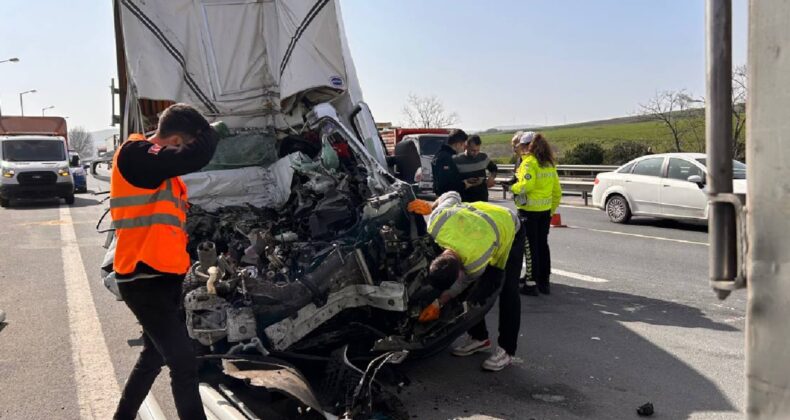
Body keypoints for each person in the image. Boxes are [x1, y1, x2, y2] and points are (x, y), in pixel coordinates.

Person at [111, 103, 219, 420]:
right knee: (183, 361)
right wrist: (212, 134)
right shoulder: (134, 155)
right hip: (141, 277)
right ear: (174, 141)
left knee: (153, 356)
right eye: (184, 145)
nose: (183, 156)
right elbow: (194, 157)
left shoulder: (162, 175)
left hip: (164, 277)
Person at [408, 192, 525, 371]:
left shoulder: (475, 262)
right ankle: (479, 338)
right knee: (469, 293)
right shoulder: (436, 222)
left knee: (507, 291)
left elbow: (463, 283)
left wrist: (439, 302)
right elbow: (453, 195)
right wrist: (431, 205)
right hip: (480, 214)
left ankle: (507, 351)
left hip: (507, 226)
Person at [511, 132, 561, 295]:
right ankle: (544, 282)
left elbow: (527, 186)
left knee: (530, 248)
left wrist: (513, 187)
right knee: (542, 245)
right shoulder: (549, 163)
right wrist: (550, 210)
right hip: (544, 212)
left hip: (528, 212)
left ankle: (531, 283)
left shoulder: (529, 163)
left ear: (527, 146)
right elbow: (557, 192)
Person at [453, 135, 498, 202]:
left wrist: (491, 178)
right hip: (465, 199)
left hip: (482, 197)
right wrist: (466, 182)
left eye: (478, 150)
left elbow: (494, 169)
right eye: (473, 150)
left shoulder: (483, 157)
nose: (475, 153)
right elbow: (451, 180)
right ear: (466, 147)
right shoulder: (456, 160)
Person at [432, 129, 468, 196]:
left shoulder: (438, 155)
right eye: (463, 145)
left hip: (442, 197)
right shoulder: (447, 158)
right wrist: (465, 184)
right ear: (458, 144)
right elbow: (445, 183)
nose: (464, 149)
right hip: (449, 198)